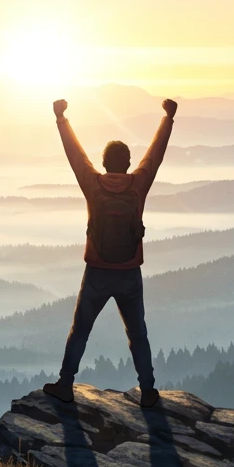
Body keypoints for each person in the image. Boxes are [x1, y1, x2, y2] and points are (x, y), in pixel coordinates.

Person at [44, 97, 177, 408]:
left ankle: (65, 383)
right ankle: (147, 391)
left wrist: (61, 118)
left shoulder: (93, 185)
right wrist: (168, 119)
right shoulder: (138, 185)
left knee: (80, 331)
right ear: (128, 163)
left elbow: (74, 155)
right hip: (130, 272)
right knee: (137, 333)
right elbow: (155, 155)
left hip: (97, 272)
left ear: (103, 163)